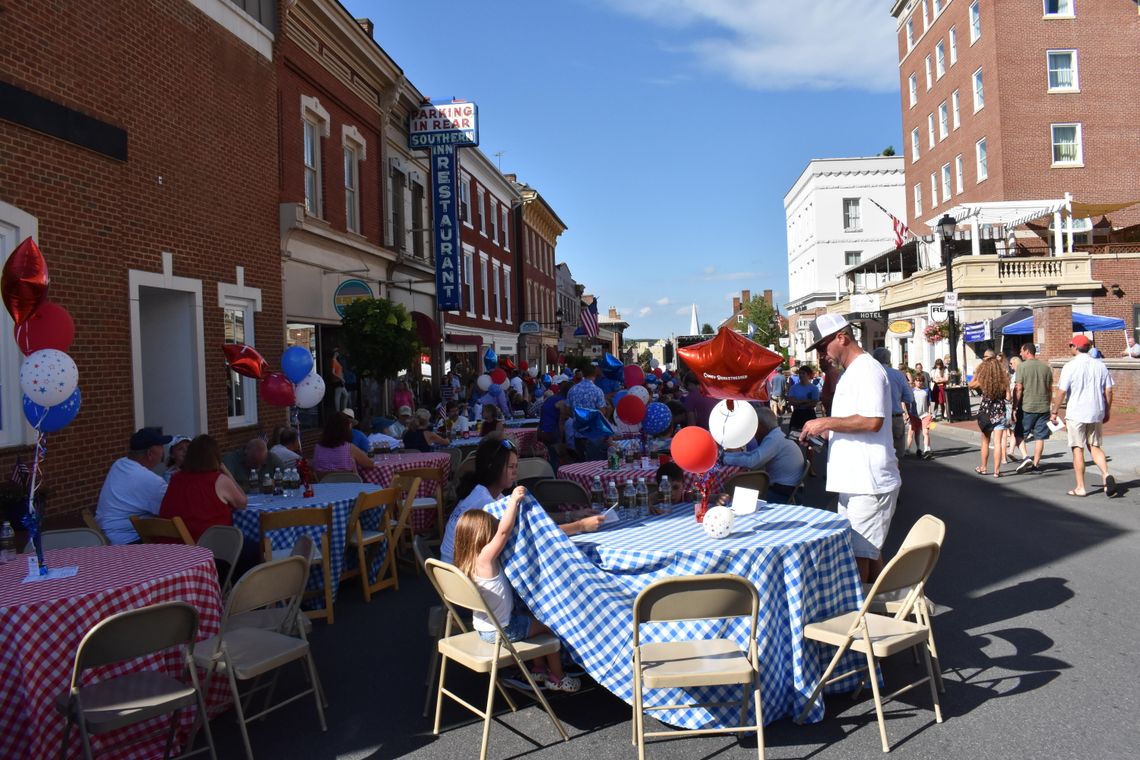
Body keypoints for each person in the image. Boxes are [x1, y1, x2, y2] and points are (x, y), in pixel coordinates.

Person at [800, 314, 901, 583]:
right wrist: (826, 433)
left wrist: (826, 422)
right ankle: (883, 611)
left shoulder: (866, 370)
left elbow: (872, 420)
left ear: (842, 338)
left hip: (867, 483)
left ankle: (860, 618)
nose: (821, 354)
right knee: (867, 553)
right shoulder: (853, 372)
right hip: (858, 482)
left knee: (858, 559)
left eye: (823, 347)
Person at [453, 486, 580, 692]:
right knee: (550, 624)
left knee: (529, 617)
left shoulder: (465, 561)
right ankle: (558, 677)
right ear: (482, 538)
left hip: (484, 627)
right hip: (504, 630)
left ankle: (538, 669)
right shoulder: (485, 559)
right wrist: (513, 502)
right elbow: (504, 531)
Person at [441, 438, 602, 564]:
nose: (515, 472)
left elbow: (531, 518)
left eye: (516, 466)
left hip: (455, 576)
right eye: (511, 467)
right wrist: (580, 526)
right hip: (465, 579)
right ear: (493, 467)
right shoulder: (486, 503)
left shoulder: (484, 492)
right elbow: (537, 532)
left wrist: (572, 515)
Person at [1052, 335, 1117, 497]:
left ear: (1075, 347)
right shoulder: (1100, 365)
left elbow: (1062, 391)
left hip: (1076, 412)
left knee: (1077, 449)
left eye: (1071, 346)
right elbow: (1108, 391)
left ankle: (1080, 487)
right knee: (1094, 446)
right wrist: (1107, 410)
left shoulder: (1070, 366)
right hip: (1096, 411)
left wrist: (1054, 411)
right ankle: (1106, 475)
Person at [159, 435, 248, 540]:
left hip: (176, 544)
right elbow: (243, 503)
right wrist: (227, 472)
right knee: (256, 546)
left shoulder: (175, 478)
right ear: (215, 456)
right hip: (209, 544)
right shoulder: (219, 480)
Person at [96, 427, 171, 544]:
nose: (163, 450)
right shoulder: (151, 481)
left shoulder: (119, 464)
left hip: (106, 536)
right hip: (129, 542)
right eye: (161, 446)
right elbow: (171, 511)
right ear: (150, 453)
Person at [722, 406, 805, 503]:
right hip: (790, 490)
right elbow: (752, 455)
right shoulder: (776, 436)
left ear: (760, 426)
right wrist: (727, 457)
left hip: (785, 493)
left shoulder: (774, 439)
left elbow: (753, 462)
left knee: (741, 500)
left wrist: (726, 459)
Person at [1013, 343, 1052, 474]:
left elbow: (1018, 388)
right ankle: (1036, 464)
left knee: (1019, 434)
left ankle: (1025, 457)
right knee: (1039, 437)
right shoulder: (1046, 368)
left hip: (1027, 407)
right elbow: (1050, 389)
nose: (1020, 353)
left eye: (1021, 351)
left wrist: (1014, 406)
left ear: (1027, 351)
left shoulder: (1022, 367)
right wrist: (1049, 403)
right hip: (1043, 407)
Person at [969, 356, 1010, 478]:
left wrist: (977, 373)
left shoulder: (983, 381)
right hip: (999, 413)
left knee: (985, 442)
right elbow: (1009, 398)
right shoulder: (1004, 381)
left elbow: (970, 385)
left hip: (986, 414)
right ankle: (997, 471)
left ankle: (984, 467)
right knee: (997, 443)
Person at [872, 347, 915, 462]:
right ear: (889, 360)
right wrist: (896, 398)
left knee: (878, 454)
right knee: (897, 455)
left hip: (874, 419)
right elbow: (909, 397)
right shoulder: (898, 375)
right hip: (895, 417)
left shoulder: (870, 374)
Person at [312, 412, 375, 477]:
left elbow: (315, 466)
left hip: (324, 486)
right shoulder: (349, 448)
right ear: (346, 429)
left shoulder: (318, 448)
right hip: (350, 486)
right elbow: (370, 464)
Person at [567, 364, 607, 460]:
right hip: (593, 434)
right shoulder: (597, 391)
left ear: (583, 374)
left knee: (581, 464)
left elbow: (567, 410)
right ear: (595, 374)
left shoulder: (573, 390)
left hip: (578, 433)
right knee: (594, 466)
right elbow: (602, 412)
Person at [906, 374, 934, 459]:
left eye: (921, 381)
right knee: (914, 432)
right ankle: (912, 449)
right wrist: (906, 414)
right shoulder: (912, 391)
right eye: (917, 380)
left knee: (926, 432)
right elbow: (907, 402)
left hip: (925, 414)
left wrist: (930, 413)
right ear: (914, 381)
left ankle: (927, 449)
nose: (919, 382)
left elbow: (929, 402)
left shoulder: (926, 390)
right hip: (914, 415)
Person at [786, 366, 821, 431]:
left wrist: (798, 403)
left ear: (808, 375)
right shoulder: (794, 388)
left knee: (810, 436)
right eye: (800, 373)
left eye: (803, 373)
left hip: (809, 414)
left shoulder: (814, 388)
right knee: (794, 436)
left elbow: (813, 403)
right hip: (797, 414)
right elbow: (791, 401)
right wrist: (805, 401)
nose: (801, 375)